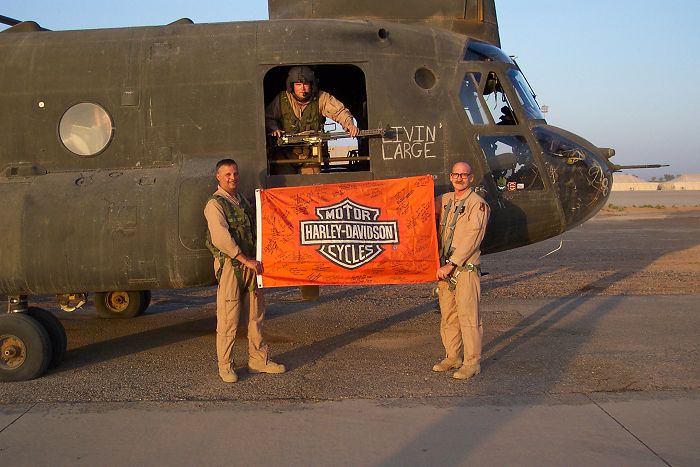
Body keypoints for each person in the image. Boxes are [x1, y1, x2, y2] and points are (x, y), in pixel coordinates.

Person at [204, 159, 285, 383]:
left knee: (255, 315)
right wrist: (243, 258)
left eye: (235, 174)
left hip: (250, 263)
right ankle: (225, 365)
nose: (233, 178)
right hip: (232, 266)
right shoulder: (215, 204)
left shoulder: (242, 201)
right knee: (229, 319)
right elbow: (220, 238)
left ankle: (258, 360)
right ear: (218, 177)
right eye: (227, 174)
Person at [433, 162, 490, 380]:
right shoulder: (446, 200)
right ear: (450, 177)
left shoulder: (478, 204)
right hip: (445, 270)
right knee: (448, 316)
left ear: (471, 178)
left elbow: (472, 238)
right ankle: (452, 357)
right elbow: (425, 209)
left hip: (464, 269)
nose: (459, 178)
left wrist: (452, 264)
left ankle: (472, 363)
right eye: (456, 174)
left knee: (468, 317)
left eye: (464, 175)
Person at [265, 66, 360, 174]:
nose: (302, 88)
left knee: (312, 186)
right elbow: (268, 118)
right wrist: (274, 129)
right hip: (284, 156)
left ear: (312, 85)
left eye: (306, 84)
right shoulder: (282, 99)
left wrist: (349, 124)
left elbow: (339, 112)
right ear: (291, 86)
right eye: (298, 85)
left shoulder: (321, 98)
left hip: (311, 156)